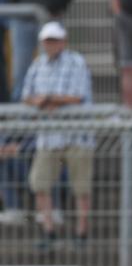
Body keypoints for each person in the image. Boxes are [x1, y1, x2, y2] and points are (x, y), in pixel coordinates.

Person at [21, 22, 93, 250]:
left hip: (76, 135)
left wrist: (48, 99)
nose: (50, 44)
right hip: (48, 136)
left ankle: (82, 233)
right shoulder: (37, 64)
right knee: (39, 183)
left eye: (54, 40)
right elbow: (27, 96)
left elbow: (77, 97)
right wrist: (43, 101)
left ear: (63, 41)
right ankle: (49, 230)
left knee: (81, 187)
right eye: (47, 41)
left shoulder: (77, 62)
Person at [4, 0, 76, 101]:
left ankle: (51, 109)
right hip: (21, 16)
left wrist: (59, 5)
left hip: (50, 16)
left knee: (53, 65)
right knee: (20, 70)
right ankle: (19, 111)